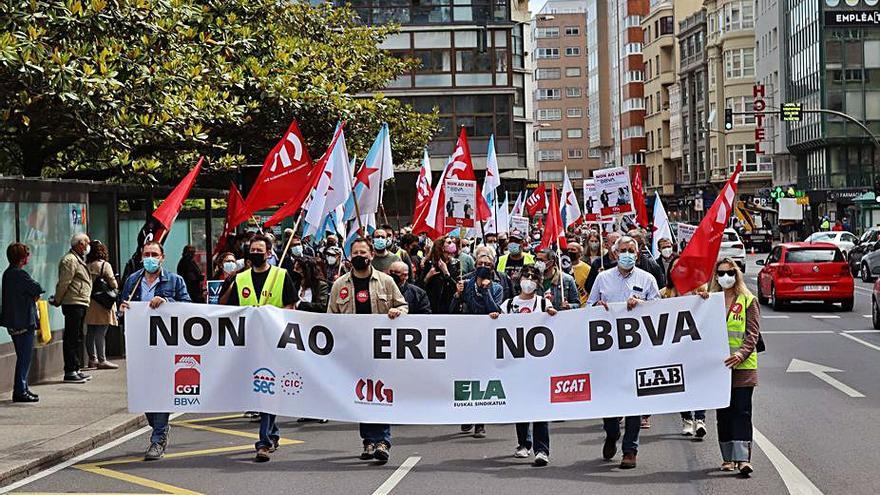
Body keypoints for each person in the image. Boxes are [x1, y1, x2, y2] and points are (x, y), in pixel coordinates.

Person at [327, 238, 408, 464]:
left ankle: (383, 440)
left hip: (380, 349)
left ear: (371, 255)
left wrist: (397, 312)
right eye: (355, 252)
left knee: (380, 393)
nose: (359, 255)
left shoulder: (386, 281)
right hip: (353, 351)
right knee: (362, 394)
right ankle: (368, 440)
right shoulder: (339, 285)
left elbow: (403, 306)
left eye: (363, 252)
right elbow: (331, 317)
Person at [587, 235, 660, 469]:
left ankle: (630, 450)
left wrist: (642, 304)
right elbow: (588, 307)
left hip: (636, 353)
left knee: (634, 402)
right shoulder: (602, 278)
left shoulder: (647, 279)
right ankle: (611, 433)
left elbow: (659, 311)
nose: (627, 254)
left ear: (637, 254)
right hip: (609, 353)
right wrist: (597, 308)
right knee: (610, 399)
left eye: (631, 250)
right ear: (615, 253)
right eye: (623, 250)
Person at [225, 235, 297, 462]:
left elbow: (290, 306)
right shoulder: (241, 278)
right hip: (248, 344)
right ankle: (272, 433)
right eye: (252, 249)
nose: (255, 253)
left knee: (266, 390)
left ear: (268, 253)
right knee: (262, 391)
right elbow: (230, 310)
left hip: (274, 343)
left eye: (260, 250)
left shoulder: (281, 275)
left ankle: (264, 442)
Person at [119, 241, 191, 461]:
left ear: (162, 257)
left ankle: (157, 438)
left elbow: (188, 306)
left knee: (161, 390)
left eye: (154, 254)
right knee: (144, 392)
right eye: (146, 254)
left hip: (165, 346)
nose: (150, 258)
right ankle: (159, 425)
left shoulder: (175, 280)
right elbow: (123, 305)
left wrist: (167, 302)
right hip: (140, 346)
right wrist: (123, 310)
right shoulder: (133, 280)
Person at [489, 264, 557, 466]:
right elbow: (499, 325)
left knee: (540, 407)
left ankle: (542, 449)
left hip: (539, 365)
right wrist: (495, 318)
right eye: (525, 276)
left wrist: (553, 313)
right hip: (516, 363)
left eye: (533, 277)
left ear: (538, 282)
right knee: (520, 404)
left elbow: (555, 324)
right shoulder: (509, 304)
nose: (528, 280)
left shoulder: (543, 303)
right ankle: (523, 444)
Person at [710, 258, 760, 476]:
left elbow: (753, 333)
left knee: (742, 411)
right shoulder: (710, 301)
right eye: (721, 273)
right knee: (724, 412)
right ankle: (727, 458)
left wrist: (740, 354)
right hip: (718, 368)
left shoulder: (748, 299)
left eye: (729, 272)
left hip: (743, 366)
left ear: (736, 274)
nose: (725, 277)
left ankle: (743, 459)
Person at [451, 251, 503, 439]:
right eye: (480, 263)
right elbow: (452, 311)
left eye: (487, 265)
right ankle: (467, 414)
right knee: (465, 376)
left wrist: (486, 291)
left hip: (487, 338)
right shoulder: (466, 285)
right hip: (466, 337)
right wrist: (458, 295)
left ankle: (480, 422)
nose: (483, 266)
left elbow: (494, 310)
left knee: (483, 378)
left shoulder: (496, 287)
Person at [660, 258, 708, 439]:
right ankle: (687, 420)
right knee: (680, 385)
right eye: (675, 267)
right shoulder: (664, 293)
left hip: (696, 347)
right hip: (674, 349)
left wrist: (705, 300)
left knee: (697, 382)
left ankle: (700, 419)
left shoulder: (700, 291)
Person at [1, 243, 44, 402]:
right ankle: (20, 390)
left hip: (14, 320)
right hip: (23, 321)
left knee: (23, 356)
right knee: (24, 357)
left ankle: (23, 387)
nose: (28, 257)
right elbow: (37, 287)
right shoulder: (19, 274)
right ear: (22, 258)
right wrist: (33, 295)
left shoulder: (8, 274)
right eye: (26, 254)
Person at [53, 232, 93, 384]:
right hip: (73, 302)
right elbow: (64, 282)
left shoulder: (77, 259)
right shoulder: (70, 260)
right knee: (71, 337)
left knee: (77, 337)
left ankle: (76, 368)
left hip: (80, 301)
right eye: (86, 243)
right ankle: (70, 370)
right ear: (79, 244)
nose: (88, 246)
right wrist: (58, 300)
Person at [85, 240, 119, 370]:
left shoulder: (86, 265)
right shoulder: (105, 265)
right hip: (103, 303)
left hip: (90, 302)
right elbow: (113, 284)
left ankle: (92, 359)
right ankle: (102, 360)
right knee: (101, 332)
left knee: (91, 332)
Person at [418, 236, 460, 315]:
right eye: (449, 242)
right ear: (442, 247)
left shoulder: (455, 264)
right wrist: (428, 276)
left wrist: (446, 273)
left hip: (449, 305)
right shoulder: (429, 264)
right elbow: (419, 287)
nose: (452, 244)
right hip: (432, 305)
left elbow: (456, 286)